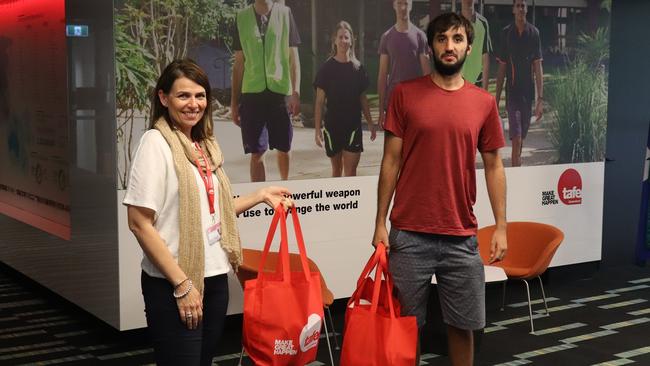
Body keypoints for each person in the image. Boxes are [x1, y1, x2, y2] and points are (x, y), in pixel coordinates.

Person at [124, 59, 293, 366]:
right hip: (174, 282)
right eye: (183, 96)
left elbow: (213, 212)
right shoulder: (156, 143)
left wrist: (259, 195)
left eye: (200, 96)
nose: (194, 104)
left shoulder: (203, 145)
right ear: (163, 98)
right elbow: (138, 223)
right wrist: (183, 284)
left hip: (215, 278)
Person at [372, 13, 508, 366]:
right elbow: (390, 162)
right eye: (442, 39)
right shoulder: (405, 95)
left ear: (469, 46)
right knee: (404, 329)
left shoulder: (484, 103)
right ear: (430, 46)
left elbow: (494, 166)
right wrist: (380, 223)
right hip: (408, 235)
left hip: (460, 235)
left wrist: (502, 226)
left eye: (457, 39)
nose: (450, 46)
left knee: (464, 328)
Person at [230, 0, 301, 182]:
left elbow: (294, 59)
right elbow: (238, 64)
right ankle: (259, 196)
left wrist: (296, 92)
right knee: (257, 151)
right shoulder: (241, 17)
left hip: (280, 92)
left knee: (284, 147)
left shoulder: (285, 14)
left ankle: (285, 189)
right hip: (252, 94)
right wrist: (234, 103)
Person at [313, 21, 377, 177]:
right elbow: (319, 102)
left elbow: (363, 99)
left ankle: (351, 202)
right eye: (340, 37)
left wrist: (370, 123)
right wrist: (317, 130)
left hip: (353, 127)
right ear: (334, 40)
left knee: (350, 173)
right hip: (332, 128)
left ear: (351, 41)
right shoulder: (326, 69)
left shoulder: (358, 69)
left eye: (346, 37)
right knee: (336, 172)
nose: (343, 41)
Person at [495, 0, 544, 167]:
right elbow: (501, 68)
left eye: (523, 5)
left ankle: (517, 166)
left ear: (527, 9)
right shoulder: (506, 33)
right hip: (512, 93)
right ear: (513, 10)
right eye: (518, 6)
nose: (521, 8)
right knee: (515, 138)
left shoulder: (534, 33)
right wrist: (495, 100)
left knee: (521, 138)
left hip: (527, 94)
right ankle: (516, 173)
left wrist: (539, 99)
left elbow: (538, 67)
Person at [377, 0, 431, 128]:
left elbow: (427, 75)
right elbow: (383, 75)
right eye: (399, 3)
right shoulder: (386, 37)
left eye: (406, 3)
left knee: (414, 146)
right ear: (394, 6)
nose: (403, 7)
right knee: (394, 146)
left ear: (411, 6)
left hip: (415, 103)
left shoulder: (420, 36)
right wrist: (380, 110)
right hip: (393, 102)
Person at [460, 0, 492, 90]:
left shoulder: (483, 23)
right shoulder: (453, 23)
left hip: (477, 83)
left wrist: (485, 90)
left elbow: (485, 57)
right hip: (457, 83)